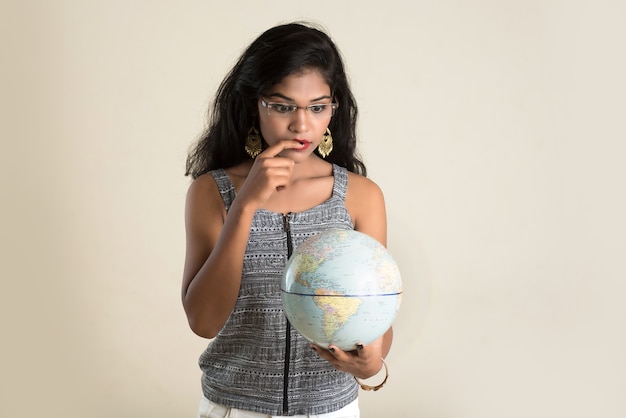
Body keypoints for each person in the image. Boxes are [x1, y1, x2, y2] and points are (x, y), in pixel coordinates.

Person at [182, 21, 392, 418]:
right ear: (253, 104)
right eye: (282, 106)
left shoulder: (362, 197)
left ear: (334, 107)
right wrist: (245, 206)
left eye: (317, 107)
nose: (301, 125)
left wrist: (371, 365)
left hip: (331, 410)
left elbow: (375, 318)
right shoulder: (213, 192)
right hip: (234, 408)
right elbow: (203, 322)